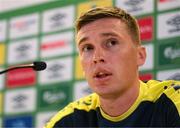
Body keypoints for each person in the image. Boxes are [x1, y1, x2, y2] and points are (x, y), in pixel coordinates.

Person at [45, 6, 180, 127]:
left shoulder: (173, 101)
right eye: (87, 48)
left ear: (140, 55)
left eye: (111, 42)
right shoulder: (69, 120)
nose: (97, 57)